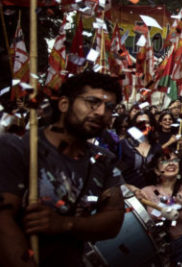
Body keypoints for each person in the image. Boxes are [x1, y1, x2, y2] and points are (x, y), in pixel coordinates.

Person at [0, 71, 125, 266]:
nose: (101, 112)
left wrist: (66, 224)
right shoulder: (18, 148)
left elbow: (113, 220)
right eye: (92, 102)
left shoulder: (103, 160)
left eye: (109, 107)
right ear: (64, 104)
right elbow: (3, 221)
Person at [138, 151, 182, 266]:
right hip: (157, 245)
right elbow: (146, 218)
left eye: (175, 160)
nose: (171, 164)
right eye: (165, 161)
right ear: (156, 170)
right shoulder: (146, 192)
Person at [117, 110, 162, 189]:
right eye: (139, 123)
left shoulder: (156, 147)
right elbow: (115, 171)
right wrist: (127, 187)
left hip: (151, 193)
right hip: (127, 192)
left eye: (147, 122)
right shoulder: (124, 145)